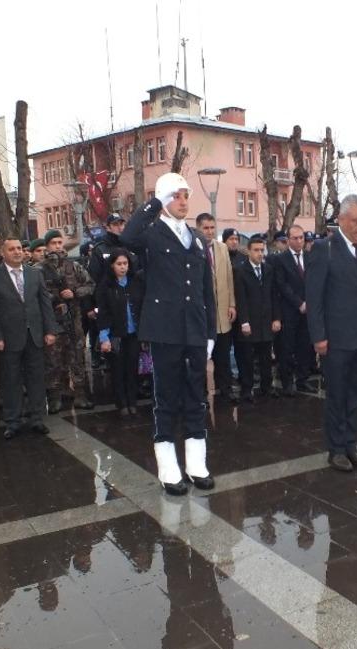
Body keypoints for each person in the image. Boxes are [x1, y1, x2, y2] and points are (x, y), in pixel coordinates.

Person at [122, 173, 216, 495]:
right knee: (166, 398)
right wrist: (155, 201)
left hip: (194, 329)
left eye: (185, 195)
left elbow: (206, 290)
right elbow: (128, 237)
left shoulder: (197, 239)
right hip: (165, 330)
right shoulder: (152, 234)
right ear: (164, 199)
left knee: (195, 396)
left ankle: (196, 463)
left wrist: (210, 332)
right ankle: (167, 466)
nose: (183, 201)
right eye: (176, 196)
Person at [306, 195, 357, 472]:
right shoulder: (323, 249)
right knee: (337, 395)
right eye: (356, 221)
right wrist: (319, 337)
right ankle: (336, 449)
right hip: (336, 339)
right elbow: (314, 299)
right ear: (340, 220)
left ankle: (351, 444)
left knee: (356, 394)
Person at [0, 237, 57, 439]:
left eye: (19, 249)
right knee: (11, 380)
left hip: (34, 334)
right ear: (2, 253)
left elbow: (44, 303)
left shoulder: (35, 273)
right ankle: (12, 421)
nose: (17, 252)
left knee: (36, 378)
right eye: (12, 249)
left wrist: (50, 330)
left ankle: (37, 418)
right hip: (8, 337)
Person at [41, 229, 95, 412]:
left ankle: (80, 395)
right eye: (53, 243)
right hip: (52, 322)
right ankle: (55, 398)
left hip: (74, 321)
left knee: (77, 358)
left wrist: (74, 293)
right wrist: (53, 298)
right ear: (47, 246)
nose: (57, 246)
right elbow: (34, 294)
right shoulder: (39, 269)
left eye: (59, 242)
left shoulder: (74, 266)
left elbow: (90, 285)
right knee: (54, 361)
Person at [95, 249, 145, 415]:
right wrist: (104, 337)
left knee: (132, 367)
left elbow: (141, 306)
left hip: (133, 334)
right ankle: (121, 402)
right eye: (119, 264)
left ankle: (132, 401)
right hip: (115, 334)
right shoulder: (106, 285)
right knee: (118, 369)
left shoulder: (135, 281)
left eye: (125, 263)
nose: (123, 267)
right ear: (112, 265)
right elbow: (103, 312)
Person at [196, 213, 238, 405]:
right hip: (202, 313)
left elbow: (229, 277)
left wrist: (232, 304)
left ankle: (226, 389)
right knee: (202, 356)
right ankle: (202, 393)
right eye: (206, 228)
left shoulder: (222, 248)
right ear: (198, 228)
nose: (210, 231)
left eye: (212, 227)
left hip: (222, 312)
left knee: (223, 354)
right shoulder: (192, 248)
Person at [233, 235, 281, 402]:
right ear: (249, 251)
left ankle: (266, 387)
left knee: (266, 358)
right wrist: (244, 321)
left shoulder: (268, 269)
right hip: (249, 322)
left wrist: (276, 318)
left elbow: (274, 295)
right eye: (256, 250)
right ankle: (246, 389)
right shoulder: (240, 271)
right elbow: (240, 298)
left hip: (266, 321)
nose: (260, 254)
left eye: (262, 250)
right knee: (246, 358)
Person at [275, 225, 313, 395]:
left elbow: (315, 282)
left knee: (304, 347)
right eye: (295, 238)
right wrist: (299, 303)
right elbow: (282, 286)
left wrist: (310, 302)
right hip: (289, 311)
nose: (299, 241)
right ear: (288, 240)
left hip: (309, 311)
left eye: (301, 238)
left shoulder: (311, 257)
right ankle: (287, 383)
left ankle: (303, 380)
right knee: (287, 348)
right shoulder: (281, 259)